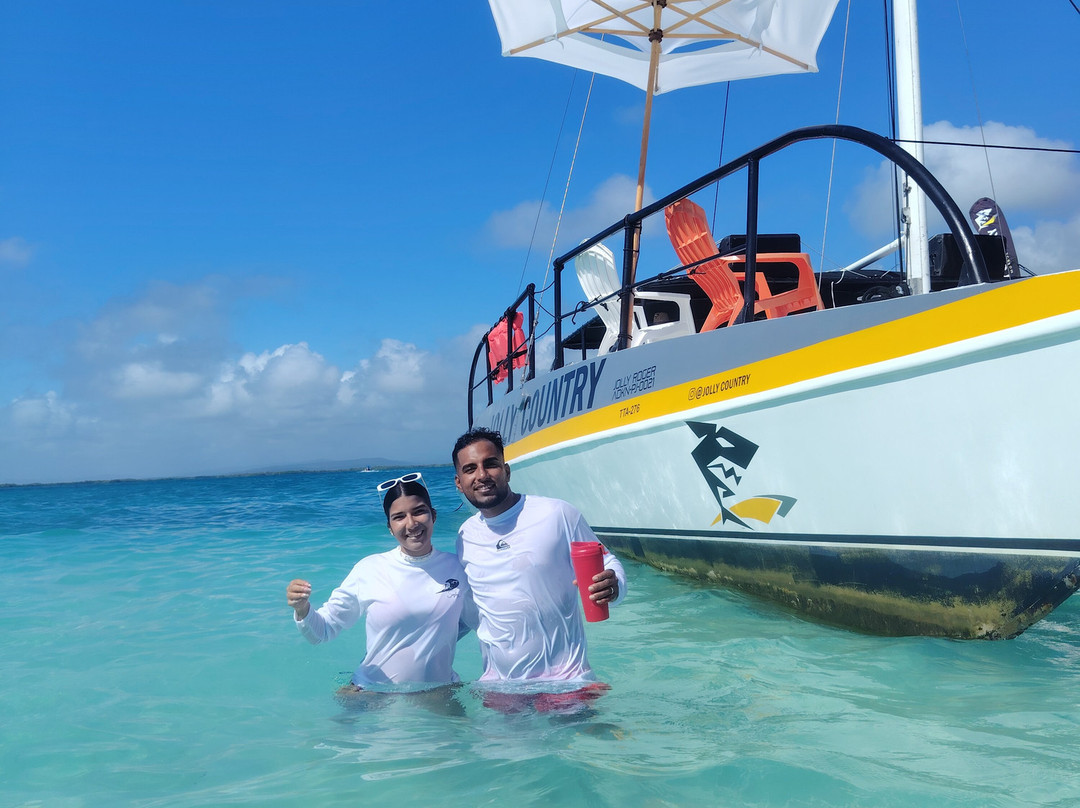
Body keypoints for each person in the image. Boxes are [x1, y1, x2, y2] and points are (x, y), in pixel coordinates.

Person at [452, 427, 625, 686]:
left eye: (491, 464)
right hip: (499, 687)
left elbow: (606, 561)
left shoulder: (557, 514)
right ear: (459, 483)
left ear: (507, 471)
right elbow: (472, 610)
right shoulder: (465, 536)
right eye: (470, 469)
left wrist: (613, 586)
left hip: (566, 682)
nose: (482, 475)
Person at [286, 473, 475, 693]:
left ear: (433, 515)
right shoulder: (370, 569)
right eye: (399, 517)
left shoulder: (458, 567)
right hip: (374, 694)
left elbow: (478, 620)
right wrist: (302, 609)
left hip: (439, 692)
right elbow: (323, 632)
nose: (411, 523)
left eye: (419, 511)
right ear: (389, 527)